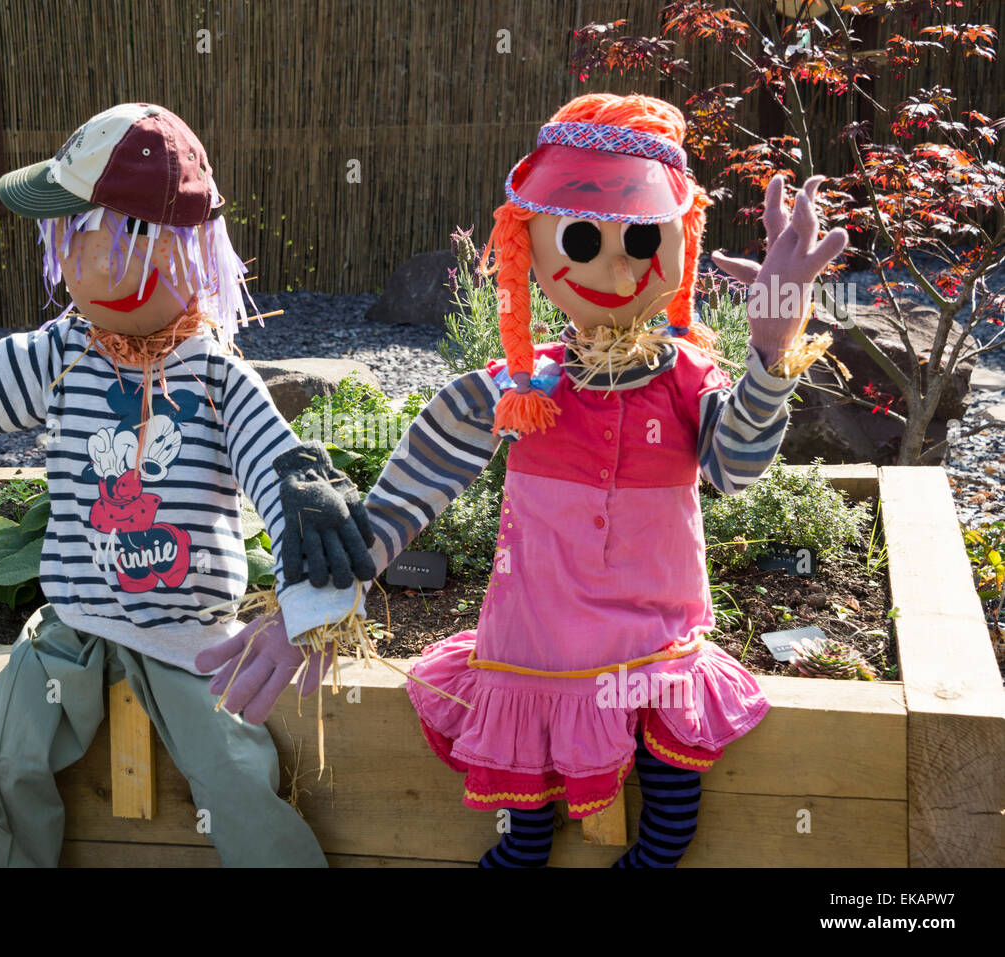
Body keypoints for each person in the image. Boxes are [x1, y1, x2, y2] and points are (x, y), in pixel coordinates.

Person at [207, 92, 847, 867]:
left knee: (669, 825)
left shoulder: (687, 380)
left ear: (680, 240)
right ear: (533, 251)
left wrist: (773, 345)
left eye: (643, 233)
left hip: (653, 653)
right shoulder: (515, 391)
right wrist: (310, 607)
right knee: (520, 839)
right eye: (581, 235)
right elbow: (408, 492)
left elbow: (737, 468)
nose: (616, 262)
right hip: (534, 656)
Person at [0, 102, 365, 867]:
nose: (93, 258)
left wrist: (313, 565)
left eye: (128, 234)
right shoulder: (64, 352)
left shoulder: (215, 375)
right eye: (75, 230)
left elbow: (278, 478)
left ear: (190, 248)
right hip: (74, 621)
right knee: (8, 755)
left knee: (236, 776)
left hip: (189, 636)